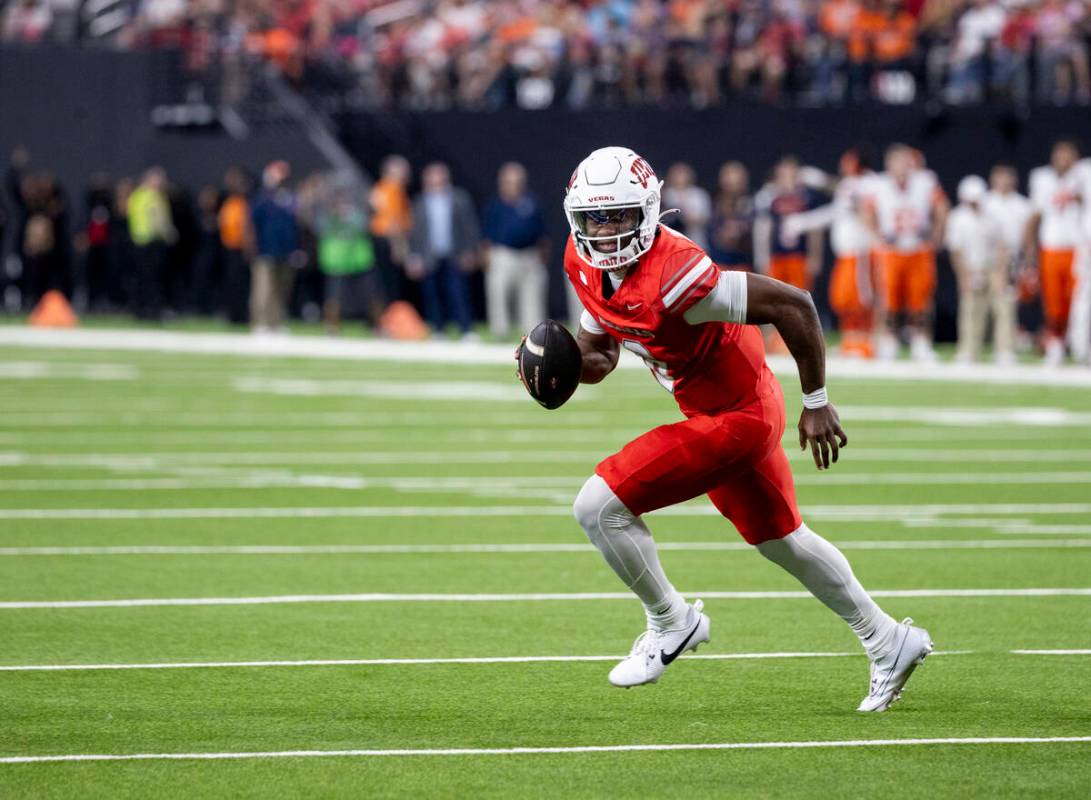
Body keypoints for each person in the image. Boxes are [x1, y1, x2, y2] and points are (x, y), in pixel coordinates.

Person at [553, 146, 931, 710]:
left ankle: (671, 620)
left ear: (649, 211)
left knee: (596, 506)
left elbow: (796, 305)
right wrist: (556, 369)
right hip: (710, 406)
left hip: (737, 415)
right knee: (784, 541)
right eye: (594, 218)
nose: (605, 232)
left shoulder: (679, 275)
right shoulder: (583, 263)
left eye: (619, 216)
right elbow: (600, 356)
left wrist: (818, 400)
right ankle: (888, 639)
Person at [783, 148, 879, 358]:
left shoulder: (869, 183)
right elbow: (840, 202)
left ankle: (865, 342)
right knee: (842, 299)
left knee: (859, 300)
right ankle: (851, 340)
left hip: (860, 251)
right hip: (846, 254)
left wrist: (804, 221)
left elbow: (841, 204)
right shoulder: (852, 184)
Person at [866, 144, 948, 361]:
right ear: (889, 164)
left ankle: (921, 341)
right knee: (889, 300)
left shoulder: (925, 181)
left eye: (905, 161)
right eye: (897, 162)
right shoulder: (879, 184)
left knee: (921, 300)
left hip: (918, 248)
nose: (902, 167)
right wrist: (876, 237)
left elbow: (942, 206)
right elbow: (865, 212)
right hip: (891, 250)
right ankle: (889, 341)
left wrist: (937, 233)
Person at [1026, 140, 1084, 366]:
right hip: (1051, 248)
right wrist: (1030, 250)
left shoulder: (1084, 176)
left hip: (1079, 248)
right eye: (1059, 153)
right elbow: (1035, 215)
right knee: (1054, 303)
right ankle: (1056, 346)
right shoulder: (1041, 178)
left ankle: (1080, 346)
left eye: (1067, 154)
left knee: (1079, 303)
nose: (1063, 158)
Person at [407, 162, 480, 339]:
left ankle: (466, 329)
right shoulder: (420, 201)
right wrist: (414, 256)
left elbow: (470, 226)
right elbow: (414, 232)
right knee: (432, 294)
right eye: (432, 177)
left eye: (439, 177)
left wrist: (471, 251)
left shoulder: (458, 198)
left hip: (454, 253)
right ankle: (438, 330)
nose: (436, 181)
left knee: (459, 293)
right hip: (429, 255)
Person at [946, 175, 1012, 364]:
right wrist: (964, 276)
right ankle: (968, 350)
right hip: (970, 267)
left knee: (1003, 306)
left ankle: (1004, 350)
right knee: (970, 309)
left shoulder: (994, 216)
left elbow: (1002, 246)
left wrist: (1001, 273)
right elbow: (956, 251)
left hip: (992, 267)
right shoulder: (958, 218)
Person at [482, 162, 547, 339]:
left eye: (517, 181)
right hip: (503, 255)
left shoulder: (531, 202)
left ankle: (534, 333)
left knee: (531, 297)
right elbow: (486, 237)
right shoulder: (495, 205)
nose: (514, 185)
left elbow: (542, 234)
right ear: (502, 183)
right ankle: (500, 332)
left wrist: (542, 257)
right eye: (510, 181)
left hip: (529, 255)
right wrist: (487, 259)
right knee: (499, 295)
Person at [983, 164, 1033, 357]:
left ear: (1014, 180)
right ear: (992, 180)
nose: (1003, 182)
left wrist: (1028, 262)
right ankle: (972, 348)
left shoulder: (1022, 205)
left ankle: (1004, 348)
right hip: (983, 259)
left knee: (1005, 305)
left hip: (1011, 260)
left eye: (1007, 178)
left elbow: (1028, 237)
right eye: (999, 177)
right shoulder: (984, 201)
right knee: (978, 306)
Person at [249, 160, 299, 333]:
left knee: (281, 289)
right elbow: (252, 223)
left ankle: (276, 322)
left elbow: (293, 226)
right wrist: (254, 246)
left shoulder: (290, 197)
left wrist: (294, 249)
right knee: (263, 288)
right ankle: (261, 322)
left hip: (286, 251)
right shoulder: (262, 197)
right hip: (265, 249)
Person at [127, 167, 176, 320]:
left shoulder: (136, 195)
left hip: (138, 242)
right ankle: (153, 310)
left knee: (141, 278)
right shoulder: (154, 196)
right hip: (152, 242)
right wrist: (169, 234)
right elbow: (158, 218)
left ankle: (139, 310)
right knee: (153, 279)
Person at [369, 155, 413, 304]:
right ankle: (390, 318)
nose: (406, 172)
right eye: (402, 169)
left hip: (380, 237)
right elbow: (393, 220)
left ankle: (383, 317)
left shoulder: (380, 187)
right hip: (388, 238)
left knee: (382, 280)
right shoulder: (393, 188)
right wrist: (398, 245)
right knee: (390, 281)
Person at [219, 167, 252, 325]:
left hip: (240, 248)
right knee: (232, 282)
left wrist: (248, 247)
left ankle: (240, 314)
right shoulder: (229, 202)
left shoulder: (243, 203)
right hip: (229, 248)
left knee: (240, 283)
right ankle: (233, 313)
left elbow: (246, 228)